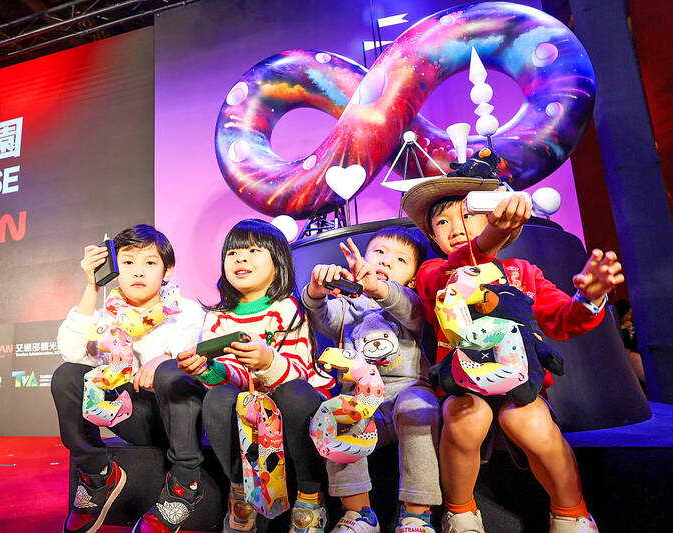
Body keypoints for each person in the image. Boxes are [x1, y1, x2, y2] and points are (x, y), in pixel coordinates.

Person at [402, 177, 624, 533]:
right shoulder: (434, 273)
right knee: (465, 416)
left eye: (468, 214)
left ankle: (571, 513)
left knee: (527, 420)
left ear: (492, 214)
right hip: (463, 386)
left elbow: (564, 319)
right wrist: (488, 237)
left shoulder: (524, 272)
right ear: (432, 237)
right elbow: (452, 274)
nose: (455, 228)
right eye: (442, 222)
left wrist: (590, 297)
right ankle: (460, 513)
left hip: (521, 383)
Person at [178, 218, 336, 533]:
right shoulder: (216, 317)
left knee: (295, 393)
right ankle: (240, 492)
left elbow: (300, 369)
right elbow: (226, 376)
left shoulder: (289, 309)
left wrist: (267, 360)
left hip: (292, 399)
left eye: (252, 251)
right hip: (246, 405)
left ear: (278, 263)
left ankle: (309, 494)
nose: (241, 259)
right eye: (233, 253)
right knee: (218, 396)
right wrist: (209, 368)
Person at [52, 224, 204, 533]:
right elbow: (71, 353)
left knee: (171, 371)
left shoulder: (186, 310)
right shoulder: (109, 317)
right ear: (114, 268)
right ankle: (98, 477)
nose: (138, 272)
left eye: (149, 263)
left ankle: (184, 488)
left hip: (178, 419)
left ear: (167, 270)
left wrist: (162, 359)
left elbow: (190, 353)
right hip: (130, 415)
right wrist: (92, 288)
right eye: (128, 263)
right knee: (68, 375)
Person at [301, 226, 442, 533]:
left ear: (414, 277)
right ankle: (358, 514)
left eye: (400, 260)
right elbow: (321, 316)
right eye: (379, 252)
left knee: (419, 406)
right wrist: (315, 290)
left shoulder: (411, 301)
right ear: (363, 259)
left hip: (407, 393)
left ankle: (417, 514)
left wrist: (378, 288)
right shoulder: (349, 306)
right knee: (337, 415)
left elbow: (413, 312)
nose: (387, 262)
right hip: (364, 403)